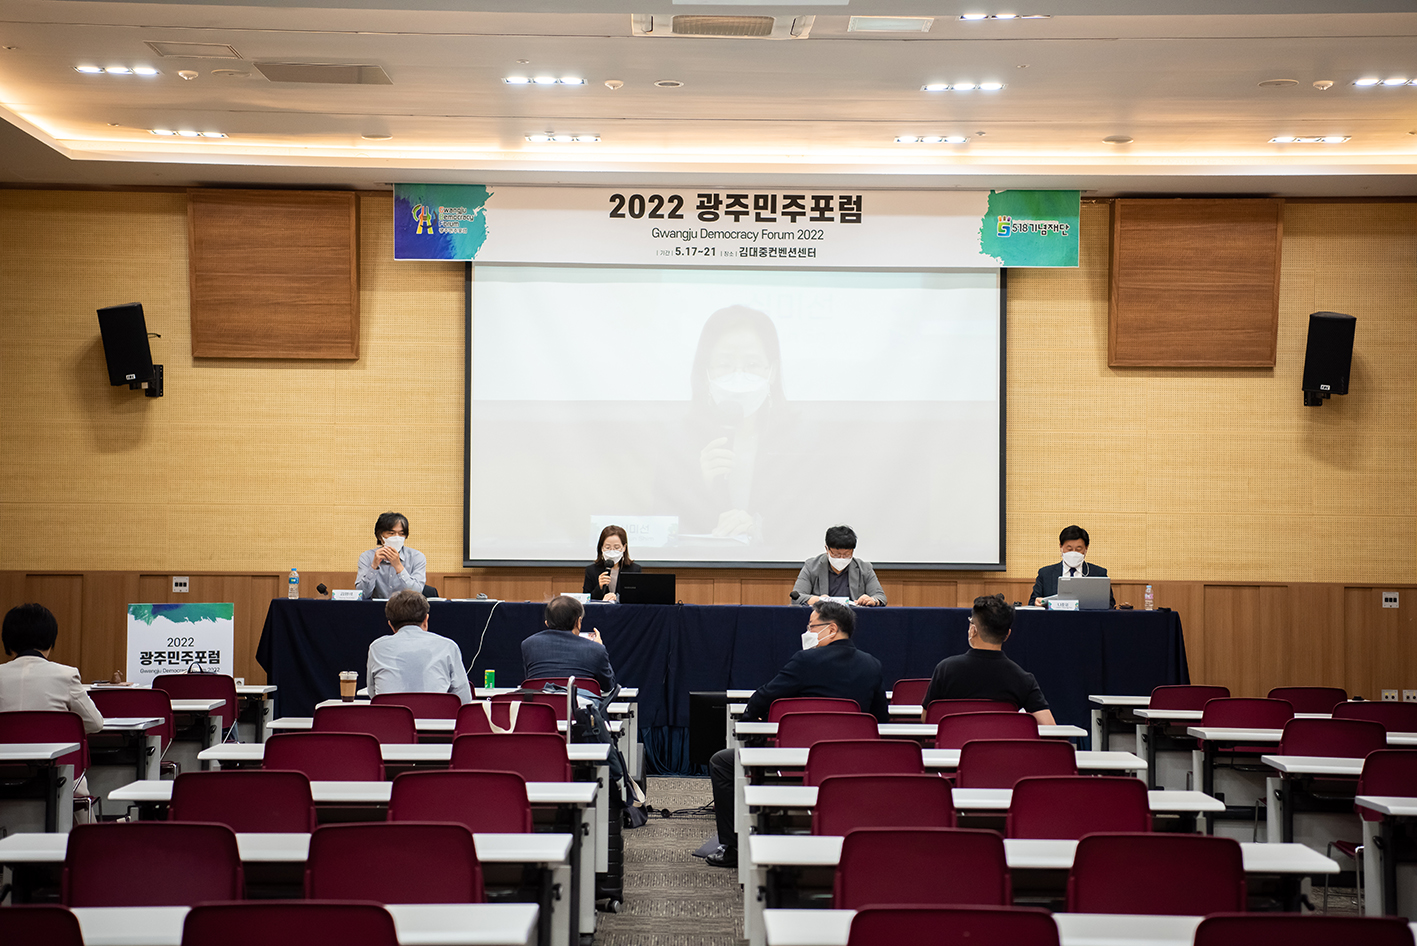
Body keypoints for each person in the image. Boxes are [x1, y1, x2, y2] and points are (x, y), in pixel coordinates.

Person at [704, 601, 888, 869]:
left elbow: (764, 697)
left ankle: (734, 848)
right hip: (852, 762)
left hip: (794, 761)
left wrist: (747, 724)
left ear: (832, 629)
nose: (808, 631)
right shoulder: (872, 665)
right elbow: (879, 721)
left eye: (812, 626)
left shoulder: (806, 661)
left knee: (723, 762)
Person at [920, 594, 1056, 725]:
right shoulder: (1023, 678)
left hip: (954, 747)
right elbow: (1049, 726)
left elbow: (927, 718)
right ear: (1007, 634)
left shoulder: (945, 669)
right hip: (1001, 748)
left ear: (973, 630)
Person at [0, 603, 105, 732]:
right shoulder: (67, 675)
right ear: (50, 639)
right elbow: (95, 724)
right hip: (53, 750)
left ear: (7, 641)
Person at [366, 590, 472, 703]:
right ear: (426, 620)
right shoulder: (448, 646)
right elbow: (463, 698)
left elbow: (373, 694)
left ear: (391, 625)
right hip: (438, 719)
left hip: (391, 719)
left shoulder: (377, 648)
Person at [520, 595, 616, 692]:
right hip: (579, 705)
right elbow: (608, 686)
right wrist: (600, 646)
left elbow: (531, 681)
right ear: (578, 622)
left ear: (547, 623)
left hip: (542, 705)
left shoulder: (528, 645)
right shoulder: (596, 649)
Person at [790, 525, 886, 607]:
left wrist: (873, 600)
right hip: (821, 618)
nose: (841, 558)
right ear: (827, 549)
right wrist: (817, 599)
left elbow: (881, 597)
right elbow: (797, 597)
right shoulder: (811, 566)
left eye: (847, 554)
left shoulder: (864, 568)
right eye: (836, 554)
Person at [1030, 524, 1111, 606]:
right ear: (1061, 547)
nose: (1073, 552)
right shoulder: (1045, 574)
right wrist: (1038, 603)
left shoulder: (1099, 574)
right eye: (1069, 549)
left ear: (1086, 548)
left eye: (1078, 549)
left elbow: (1110, 604)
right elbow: (1033, 602)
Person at [357, 511, 429, 600]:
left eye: (401, 534)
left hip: (406, 610)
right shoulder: (366, 557)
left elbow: (417, 592)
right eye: (391, 533)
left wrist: (398, 566)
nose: (397, 537)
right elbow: (362, 594)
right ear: (380, 536)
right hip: (375, 609)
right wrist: (373, 567)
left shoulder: (417, 557)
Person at [583, 525, 642, 602]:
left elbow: (637, 598)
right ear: (601, 548)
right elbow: (586, 600)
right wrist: (599, 587)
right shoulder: (591, 570)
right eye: (607, 547)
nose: (612, 551)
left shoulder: (634, 569)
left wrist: (617, 598)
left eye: (616, 547)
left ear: (624, 547)